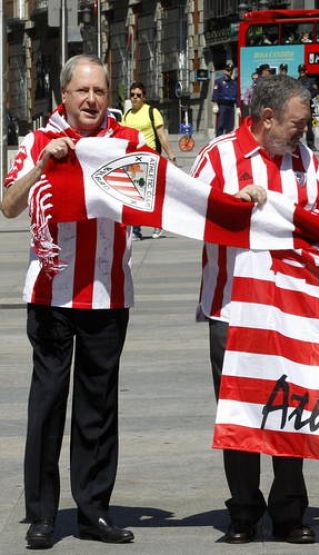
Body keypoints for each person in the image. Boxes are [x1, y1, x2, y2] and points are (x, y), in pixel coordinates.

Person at [1, 54, 144, 549]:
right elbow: (10, 204)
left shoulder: (128, 142)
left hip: (108, 294)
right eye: (82, 91)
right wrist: (43, 166)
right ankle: (42, 513)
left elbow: (156, 195)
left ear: (110, 95)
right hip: (52, 294)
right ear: (63, 95)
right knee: (47, 405)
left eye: (100, 91)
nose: (91, 100)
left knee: (98, 409)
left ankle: (94, 511)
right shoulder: (37, 142)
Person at [190, 74, 319, 545]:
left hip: (290, 313)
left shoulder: (305, 160)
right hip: (231, 310)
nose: (301, 133)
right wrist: (231, 206)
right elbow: (189, 215)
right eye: (295, 124)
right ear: (266, 118)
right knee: (240, 415)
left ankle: (290, 510)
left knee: (293, 412)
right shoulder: (218, 157)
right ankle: (244, 511)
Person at [122, 81, 177, 240]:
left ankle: (158, 224)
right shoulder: (127, 115)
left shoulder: (152, 112)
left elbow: (161, 136)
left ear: (143, 97)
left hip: (151, 158)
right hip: (133, 160)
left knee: (151, 195)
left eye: (138, 95)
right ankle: (137, 231)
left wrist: (171, 156)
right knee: (136, 196)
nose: (135, 98)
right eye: (132, 95)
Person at [211, 62, 237, 136]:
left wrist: (238, 107)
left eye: (230, 71)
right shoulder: (219, 81)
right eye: (227, 70)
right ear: (224, 71)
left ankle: (228, 141)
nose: (228, 72)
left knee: (230, 126)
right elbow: (215, 92)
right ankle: (218, 139)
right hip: (222, 105)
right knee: (220, 125)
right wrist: (215, 104)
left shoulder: (234, 83)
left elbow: (236, 95)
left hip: (231, 106)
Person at [297, 65, 319, 151]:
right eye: (300, 71)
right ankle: (296, 144)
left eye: (303, 70)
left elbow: (316, 91)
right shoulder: (296, 82)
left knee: (309, 127)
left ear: (306, 71)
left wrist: (308, 96)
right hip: (298, 107)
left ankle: (311, 144)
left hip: (307, 106)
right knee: (296, 126)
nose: (301, 72)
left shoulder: (311, 81)